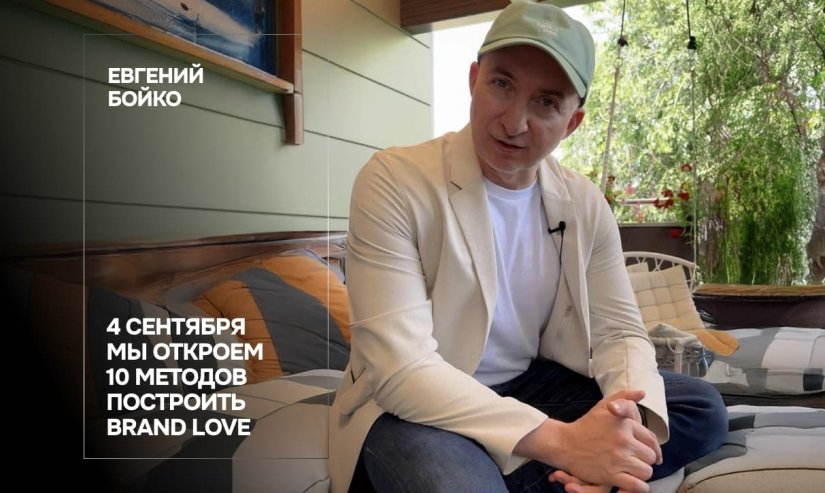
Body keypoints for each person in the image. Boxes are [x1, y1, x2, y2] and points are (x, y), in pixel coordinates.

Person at [329, 1, 727, 492]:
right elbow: (400, 369)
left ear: (572, 121)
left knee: (696, 407)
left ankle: (569, 466)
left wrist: (623, 428)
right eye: (502, 84)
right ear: (474, 79)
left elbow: (620, 333)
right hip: (414, 405)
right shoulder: (394, 180)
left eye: (545, 102)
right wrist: (566, 443)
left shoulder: (583, 203)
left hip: (525, 387)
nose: (514, 122)